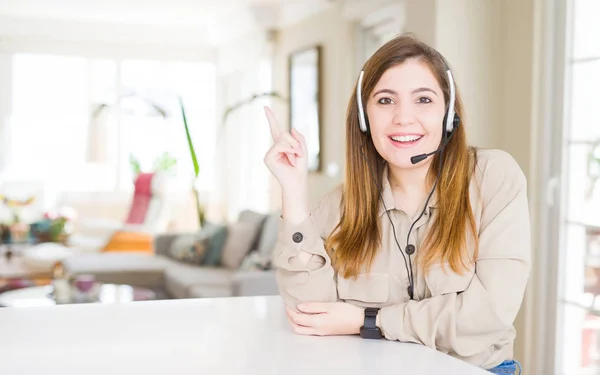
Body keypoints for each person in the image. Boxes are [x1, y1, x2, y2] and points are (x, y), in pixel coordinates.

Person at [263, 34, 530, 375]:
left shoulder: (493, 176)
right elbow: (310, 312)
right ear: (364, 117)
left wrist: (368, 320)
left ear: (448, 114)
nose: (403, 118)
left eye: (423, 99)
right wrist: (293, 190)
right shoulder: (343, 204)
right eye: (386, 100)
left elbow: (487, 317)